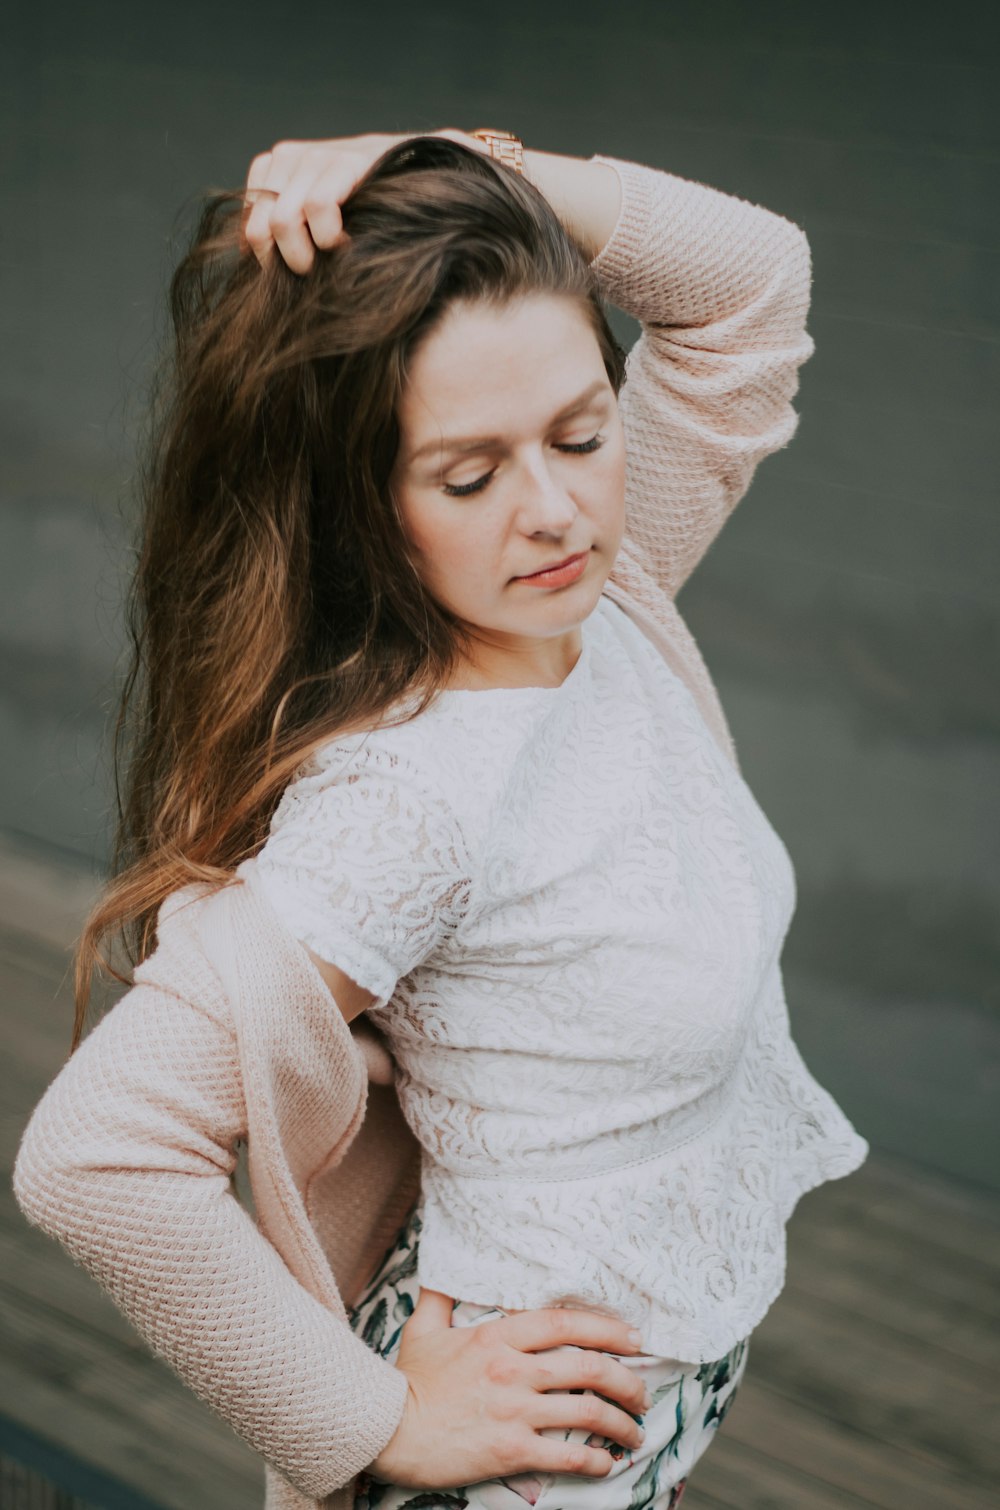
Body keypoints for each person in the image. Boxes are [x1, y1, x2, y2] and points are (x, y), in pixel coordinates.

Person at [12, 128, 869, 1510]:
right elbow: (96, 1153)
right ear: (364, 508)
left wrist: (478, 163)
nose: (554, 509)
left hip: (638, 1413)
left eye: (584, 430)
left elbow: (753, 289)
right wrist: (369, 1419)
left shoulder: (610, 591)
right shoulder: (407, 801)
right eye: (469, 476)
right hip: (523, 1465)